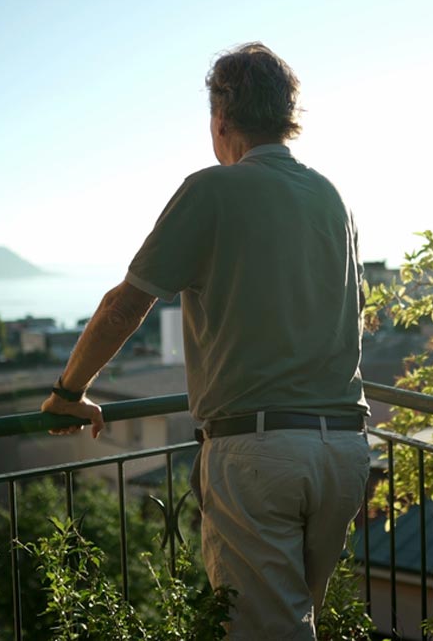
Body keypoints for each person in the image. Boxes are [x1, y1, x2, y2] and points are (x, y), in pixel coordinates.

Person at [41, 42, 370, 640]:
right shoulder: (332, 197)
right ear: (287, 114)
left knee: (262, 632)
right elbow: (356, 312)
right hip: (344, 451)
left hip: (258, 452)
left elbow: (124, 307)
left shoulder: (212, 189)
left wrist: (69, 392)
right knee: (297, 621)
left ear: (221, 119)